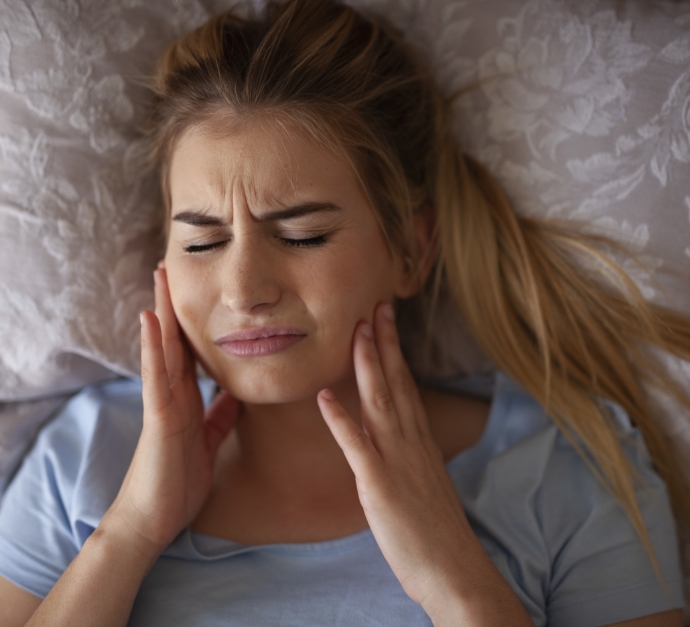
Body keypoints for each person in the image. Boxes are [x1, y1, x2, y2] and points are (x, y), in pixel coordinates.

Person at [1, 0, 689, 624]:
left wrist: (456, 581)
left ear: (412, 251)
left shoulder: (565, 472)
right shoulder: (83, 458)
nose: (244, 290)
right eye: (202, 241)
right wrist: (129, 534)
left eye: (302, 235)